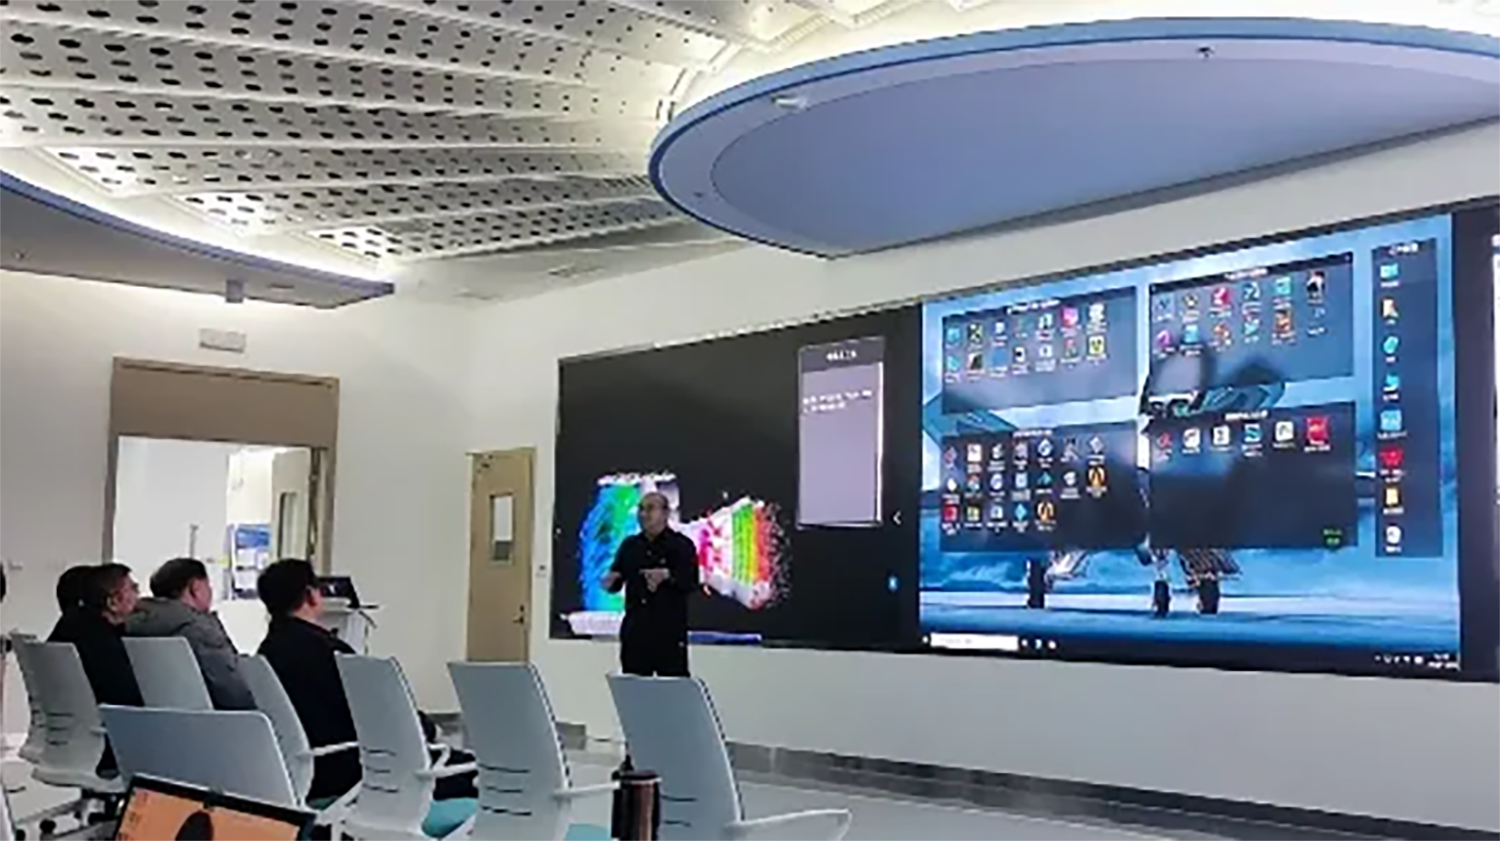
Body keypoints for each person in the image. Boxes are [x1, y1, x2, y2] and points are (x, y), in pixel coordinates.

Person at [255, 559, 476, 803]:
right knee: (478, 772)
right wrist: (430, 730)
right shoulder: (330, 653)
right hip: (357, 773)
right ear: (311, 595)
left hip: (301, 772)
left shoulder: (264, 653)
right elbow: (386, 714)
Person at [126, 558, 254, 710]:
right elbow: (232, 693)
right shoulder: (202, 631)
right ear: (195, 588)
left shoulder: (131, 627)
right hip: (212, 720)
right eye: (208, 585)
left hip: (150, 719)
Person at [603, 492, 700, 677]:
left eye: (649, 509)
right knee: (633, 689)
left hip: (668, 636)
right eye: (640, 509)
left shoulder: (681, 546)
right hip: (636, 636)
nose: (643, 514)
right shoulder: (630, 546)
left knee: (672, 689)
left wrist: (667, 576)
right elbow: (616, 578)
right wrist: (610, 582)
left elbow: (691, 581)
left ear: (665, 514)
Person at [48, 563, 144, 709]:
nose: (139, 595)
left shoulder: (69, 626)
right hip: (109, 717)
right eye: (134, 588)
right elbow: (125, 696)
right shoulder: (103, 642)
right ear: (113, 602)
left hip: (68, 714)